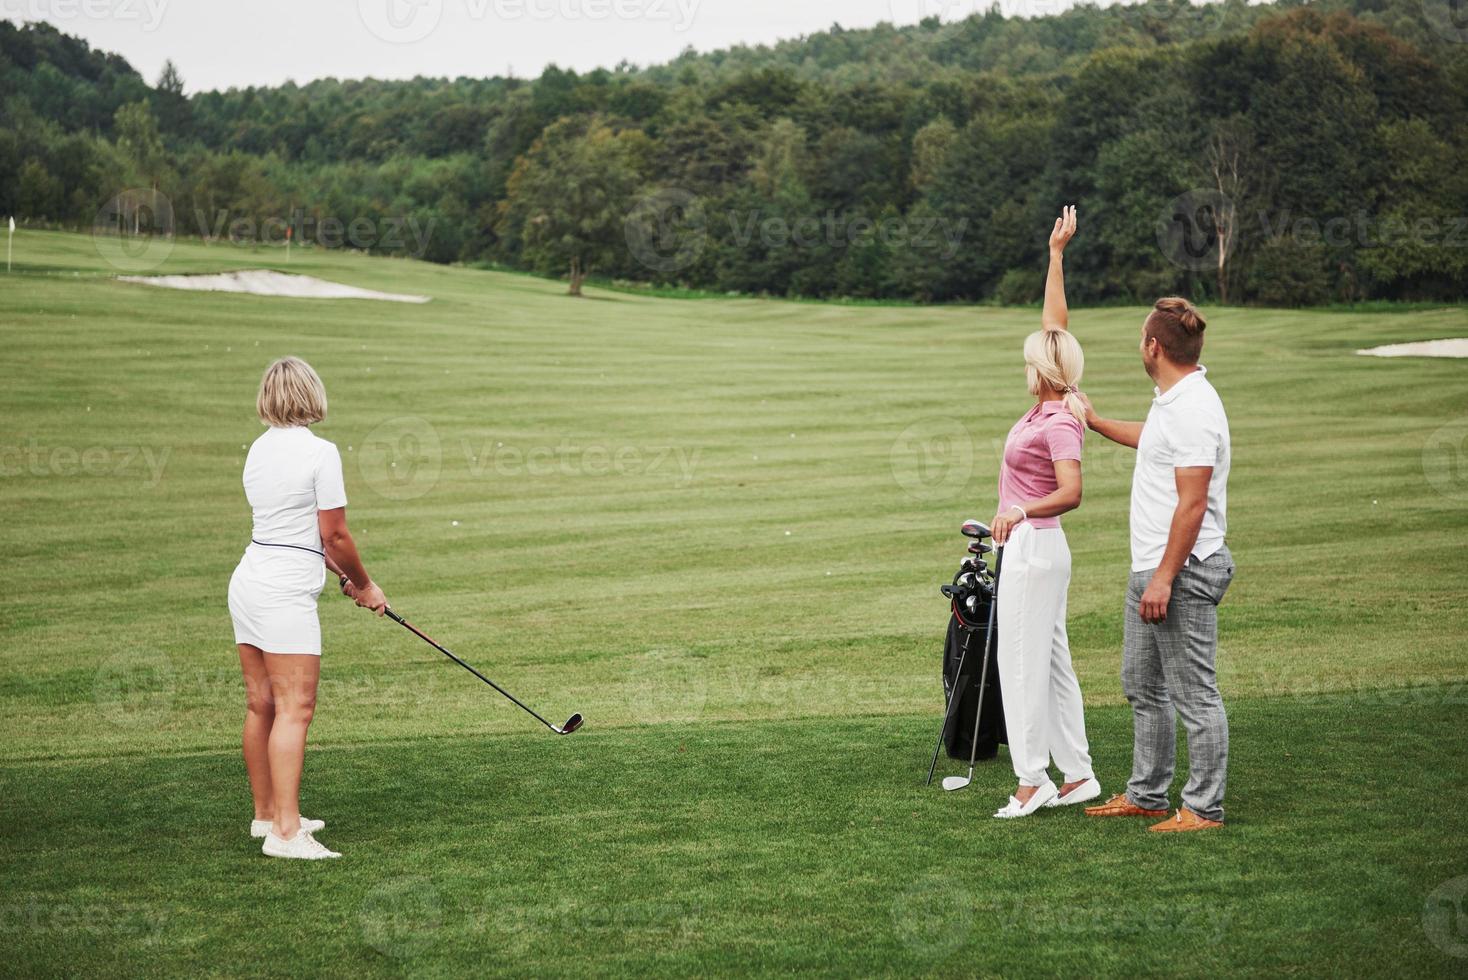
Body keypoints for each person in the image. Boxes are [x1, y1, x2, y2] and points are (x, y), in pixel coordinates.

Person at [1079, 298, 1234, 832]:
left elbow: (1192, 503)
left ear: (1154, 347)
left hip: (1181, 570)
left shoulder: (1193, 408)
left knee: (1195, 694)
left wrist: (1166, 577)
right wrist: (1096, 421)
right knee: (1142, 685)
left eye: (1140, 339)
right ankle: (1147, 794)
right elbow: (1153, 442)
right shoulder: (1173, 400)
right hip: (1153, 566)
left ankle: (1203, 808)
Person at [228, 356, 388, 859]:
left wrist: (341, 576)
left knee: (262, 704)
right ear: (312, 395)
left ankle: (267, 815)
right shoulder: (321, 453)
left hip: (250, 580)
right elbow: (333, 534)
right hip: (283, 593)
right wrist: (364, 584)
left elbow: (294, 535)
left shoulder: (258, 449)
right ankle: (287, 834)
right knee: (295, 709)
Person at [987, 205, 1101, 819]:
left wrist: (1018, 511)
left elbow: (1072, 491)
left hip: (1034, 547)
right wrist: (1056, 256)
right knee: (1051, 661)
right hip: (1036, 550)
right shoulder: (1056, 396)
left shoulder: (1060, 418)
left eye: (1031, 361)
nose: (1026, 366)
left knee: (1022, 663)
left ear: (1043, 373)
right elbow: (1054, 327)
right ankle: (1079, 774)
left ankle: (1033, 781)